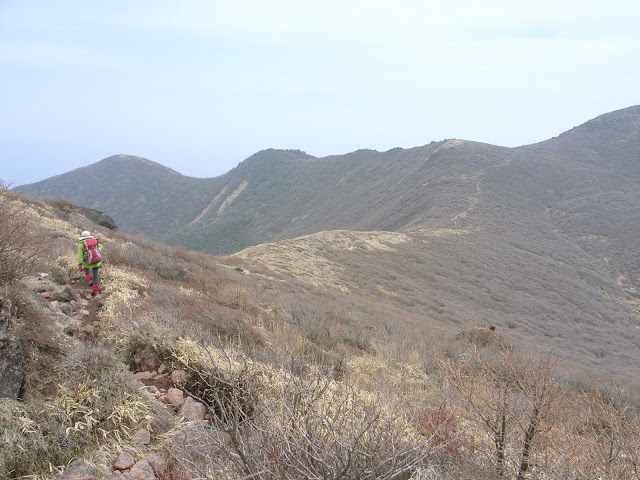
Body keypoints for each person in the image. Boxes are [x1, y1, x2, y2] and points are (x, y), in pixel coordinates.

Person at [78, 230, 104, 296]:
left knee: (86, 269)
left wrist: (81, 264)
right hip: (96, 262)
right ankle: (96, 291)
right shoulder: (95, 241)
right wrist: (100, 243)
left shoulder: (81, 244)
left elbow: (80, 257)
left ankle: (89, 280)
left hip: (87, 263)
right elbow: (101, 249)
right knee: (96, 275)